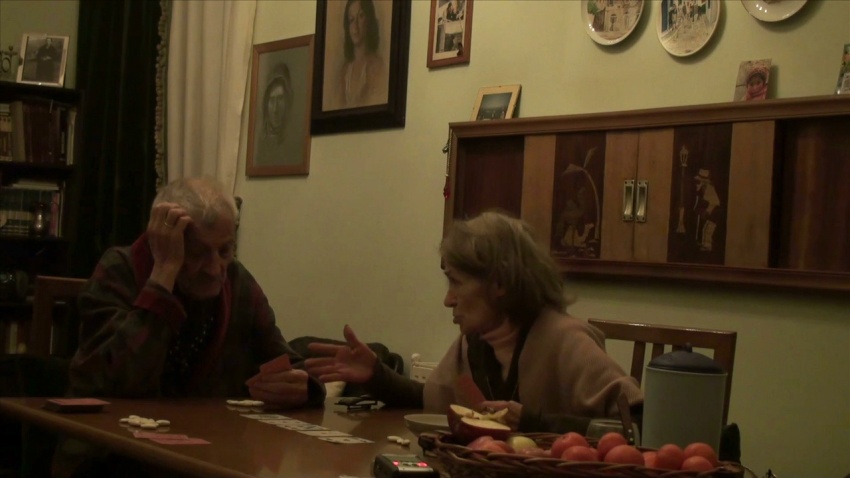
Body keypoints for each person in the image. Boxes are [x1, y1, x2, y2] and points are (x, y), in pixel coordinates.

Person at [55, 177, 325, 476]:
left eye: (225, 250)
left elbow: (285, 361)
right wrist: (163, 275)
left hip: (204, 453)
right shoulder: (120, 270)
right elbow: (119, 382)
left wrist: (304, 387)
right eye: (196, 253)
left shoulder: (237, 281)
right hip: (111, 455)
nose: (214, 269)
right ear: (163, 241)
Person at [306, 211, 642, 434]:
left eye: (456, 282)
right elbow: (430, 400)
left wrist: (534, 422)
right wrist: (376, 376)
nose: (448, 300)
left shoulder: (565, 339)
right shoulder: (476, 342)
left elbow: (638, 426)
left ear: (500, 283)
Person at [334, 0, 388, 109]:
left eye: (361, 16)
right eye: (351, 20)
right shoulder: (345, 71)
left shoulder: (377, 66)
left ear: (369, 20)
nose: (355, 26)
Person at [254, 62, 294, 165]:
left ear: (288, 101)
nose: (275, 109)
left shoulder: (294, 144)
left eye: (280, 99)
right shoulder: (260, 146)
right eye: (271, 100)